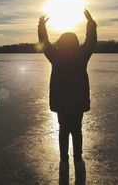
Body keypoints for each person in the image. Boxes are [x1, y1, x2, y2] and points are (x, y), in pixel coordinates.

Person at [38, 10, 97, 184]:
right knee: (76, 130)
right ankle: (77, 161)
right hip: (77, 102)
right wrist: (91, 23)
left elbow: (44, 43)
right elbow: (91, 42)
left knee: (64, 130)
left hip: (62, 103)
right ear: (75, 42)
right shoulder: (81, 55)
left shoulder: (55, 56)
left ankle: (64, 162)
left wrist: (41, 27)